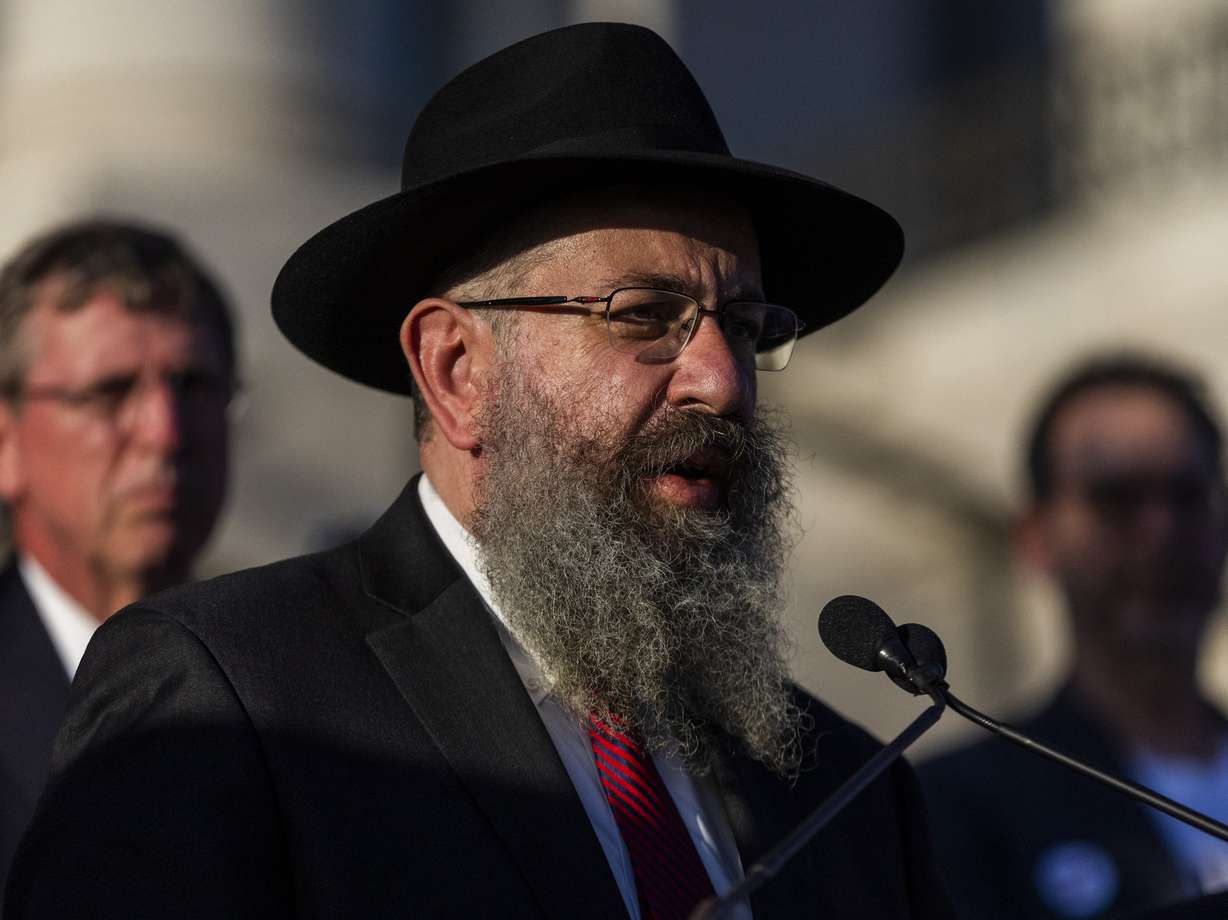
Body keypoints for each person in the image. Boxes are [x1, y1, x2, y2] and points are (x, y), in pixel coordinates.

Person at [6, 24, 953, 919]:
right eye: (641, 314)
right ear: (458, 371)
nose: (721, 381)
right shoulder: (238, 701)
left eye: (744, 328)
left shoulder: (850, 792)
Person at [920, 353, 1228, 920]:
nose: (1160, 534)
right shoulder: (956, 807)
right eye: (1117, 499)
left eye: (1186, 496)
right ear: (1038, 538)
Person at [0, 220, 236, 895]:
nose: (164, 433)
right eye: (108, 392)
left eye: (193, 387)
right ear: (6, 443)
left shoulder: (307, 686)